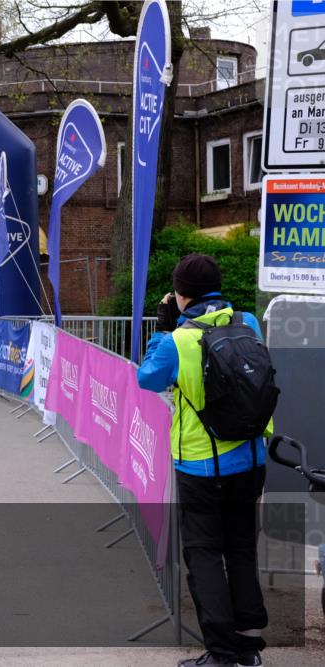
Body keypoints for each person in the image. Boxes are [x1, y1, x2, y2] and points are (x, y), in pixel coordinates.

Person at [137, 254, 271, 667]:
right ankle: (247, 644)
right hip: (251, 458)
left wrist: (163, 327)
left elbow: (147, 379)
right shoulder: (247, 322)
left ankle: (221, 653)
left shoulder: (178, 339)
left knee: (204, 555)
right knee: (242, 549)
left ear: (179, 294)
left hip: (201, 465)